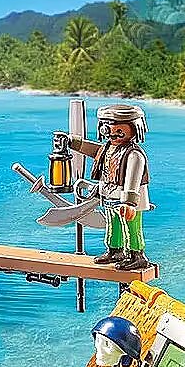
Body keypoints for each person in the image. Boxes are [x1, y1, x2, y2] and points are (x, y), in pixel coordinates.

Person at [68, 104, 153, 271]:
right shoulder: (108, 149)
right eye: (108, 128)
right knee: (113, 225)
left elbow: (133, 178)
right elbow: (94, 150)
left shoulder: (134, 154)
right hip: (110, 197)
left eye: (119, 130)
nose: (112, 133)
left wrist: (129, 202)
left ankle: (137, 255)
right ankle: (115, 250)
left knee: (131, 227)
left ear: (135, 128)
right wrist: (73, 142)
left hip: (127, 201)